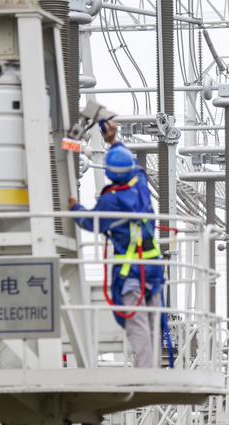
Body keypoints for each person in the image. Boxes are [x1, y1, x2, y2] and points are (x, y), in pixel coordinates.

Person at [69, 121, 165, 368]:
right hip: (152, 267)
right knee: (153, 322)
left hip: (131, 271)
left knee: (137, 323)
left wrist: (74, 208)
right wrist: (113, 140)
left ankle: (146, 373)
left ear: (109, 173)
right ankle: (152, 369)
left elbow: (91, 223)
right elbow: (135, 167)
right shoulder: (140, 184)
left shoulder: (112, 201)